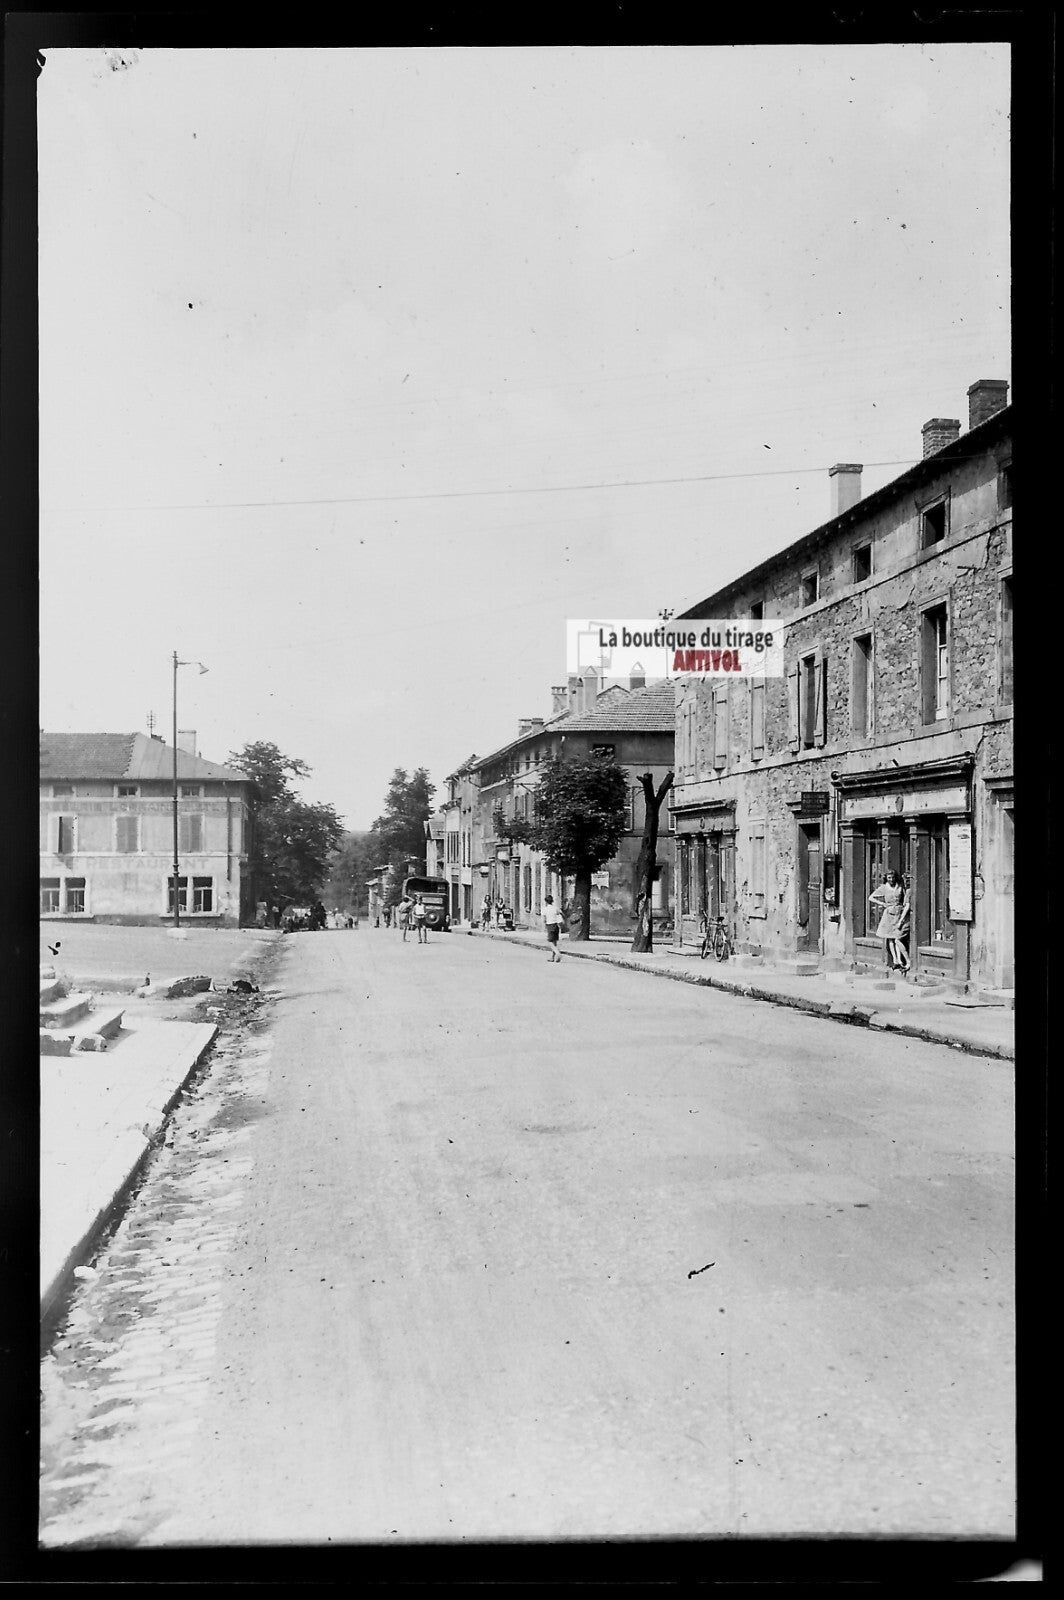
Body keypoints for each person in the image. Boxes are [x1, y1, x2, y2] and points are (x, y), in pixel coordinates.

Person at [869, 870, 907, 973]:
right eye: (889, 878)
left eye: (893, 877)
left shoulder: (900, 886)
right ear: (886, 878)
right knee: (890, 938)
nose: (891, 879)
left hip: (899, 912)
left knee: (897, 937)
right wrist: (882, 904)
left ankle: (900, 960)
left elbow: (904, 897)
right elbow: (871, 898)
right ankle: (895, 960)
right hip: (889, 913)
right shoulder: (884, 887)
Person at [543, 893, 564, 962]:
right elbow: (561, 913)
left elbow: (544, 919)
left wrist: (545, 926)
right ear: (552, 901)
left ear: (546, 902)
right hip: (556, 925)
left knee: (550, 942)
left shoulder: (545, 909)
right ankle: (553, 957)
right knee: (554, 941)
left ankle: (557, 953)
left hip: (550, 925)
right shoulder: (555, 908)